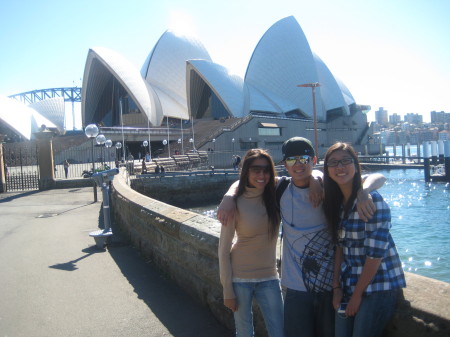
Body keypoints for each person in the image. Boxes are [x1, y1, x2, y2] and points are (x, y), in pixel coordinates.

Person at [218, 137, 385, 337]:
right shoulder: (279, 190)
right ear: (284, 165)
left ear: (314, 160)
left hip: (329, 286)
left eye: (304, 159)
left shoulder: (328, 187)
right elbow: (249, 180)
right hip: (295, 288)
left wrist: (363, 191)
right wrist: (228, 196)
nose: (298, 165)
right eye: (291, 160)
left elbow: (379, 177)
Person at [323, 142, 406, 337]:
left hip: (378, 285)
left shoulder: (371, 201)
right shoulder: (336, 205)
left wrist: (357, 296)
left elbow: (374, 256)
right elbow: (339, 249)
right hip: (348, 284)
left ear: (356, 164)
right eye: (333, 163)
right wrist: (336, 288)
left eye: (345, 161)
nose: (340, 167)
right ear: (327, 169)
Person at [218, 149, 284, 337]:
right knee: (245, 332)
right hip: (240, 280)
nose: (261, 175)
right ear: (246, 171)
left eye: (266, 170)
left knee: (279, 331)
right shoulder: (234, 203)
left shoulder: (276, 193)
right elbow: (223, 250)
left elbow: (309, 175)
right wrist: (227, 290)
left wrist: (313, 184)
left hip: (270, 277)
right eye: (256, 170)